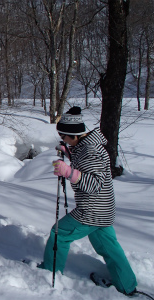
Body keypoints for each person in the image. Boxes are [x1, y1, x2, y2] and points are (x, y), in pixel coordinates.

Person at [39, 106, 137, 296]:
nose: (62, 139)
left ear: (73, 135)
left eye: (63, 136)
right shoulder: (85, 145)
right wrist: (68, 152)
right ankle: (127, 286)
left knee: (59, 233)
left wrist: (68, 172)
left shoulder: (90, 151)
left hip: (91, 210)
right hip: (104, 209)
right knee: (108, 246)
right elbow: (84, 161)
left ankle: (48, 272)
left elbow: (95, 184)